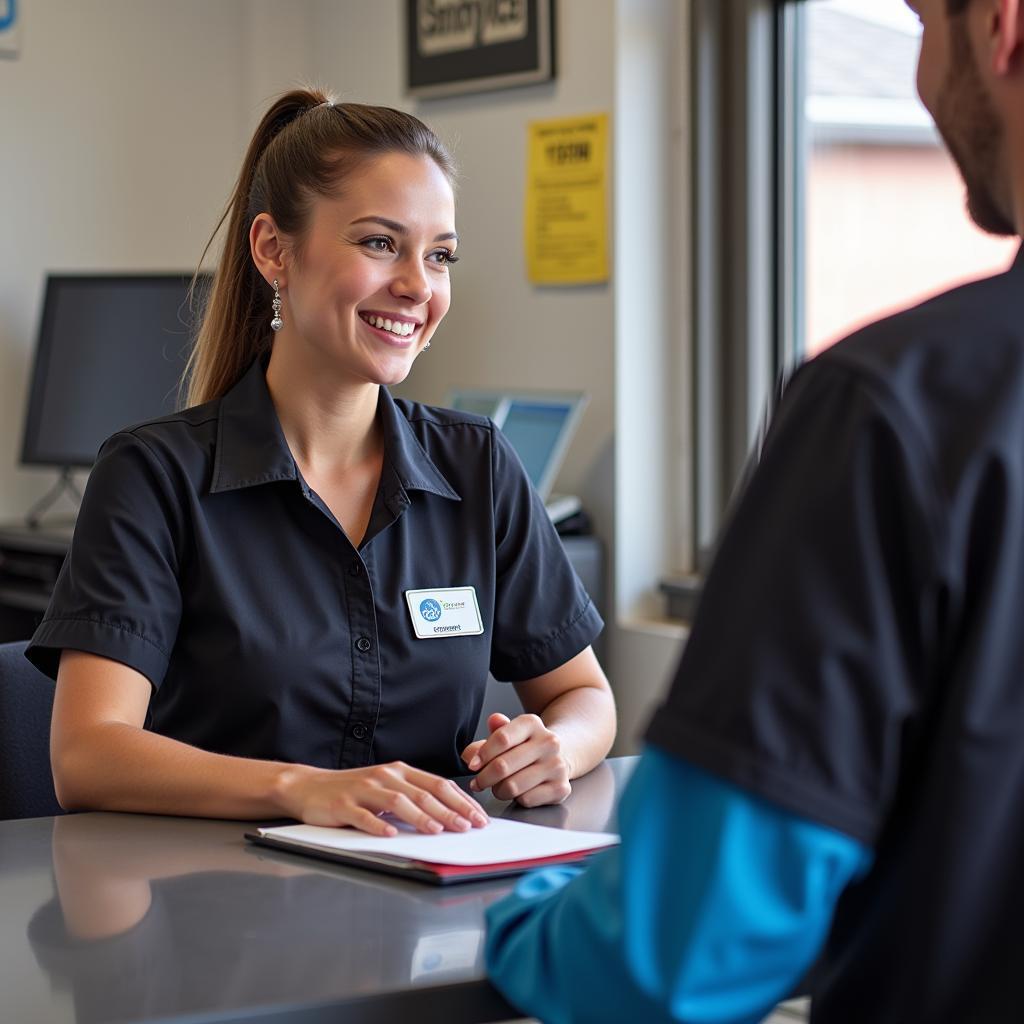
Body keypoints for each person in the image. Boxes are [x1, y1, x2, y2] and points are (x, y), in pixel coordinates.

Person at [485, 0, 1024, 1020]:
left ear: (1000, 25)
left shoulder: (896, 409)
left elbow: (671, 958)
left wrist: (531, 914)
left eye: (919, 21)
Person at [27, 88, 616, 835]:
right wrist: (302, 789)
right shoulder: (152, 477)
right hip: (212, 921)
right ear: (275, 249)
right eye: (379, 243)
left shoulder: (480, 466)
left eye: (439, 256)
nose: (417, 286)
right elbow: (87, 756)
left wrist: (556, 747)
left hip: (428, 915)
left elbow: (586, 696)